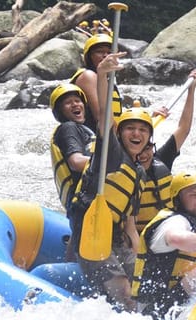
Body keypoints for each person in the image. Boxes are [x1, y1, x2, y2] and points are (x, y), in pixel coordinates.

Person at [66, 51, 150, 311]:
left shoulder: (139, 173)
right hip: (91, 231)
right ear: (120, 133)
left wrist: (139, 255)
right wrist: (103, 75)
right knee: (124, 292)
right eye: (130, 129)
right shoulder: (111, 153)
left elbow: (130, 224)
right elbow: (105, 116)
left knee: (144, 287)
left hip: (115, 236)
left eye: (143, 130)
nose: (136, 134)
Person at [131, 171, 196, 319]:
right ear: (178, 200)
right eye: (193, 195)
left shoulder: (194, 223)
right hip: (157, 307)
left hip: (174, 300)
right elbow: (176, 238)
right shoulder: (175, 220)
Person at [134, 69, 196, 234]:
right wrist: (147, 120)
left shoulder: (160, 160)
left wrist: (191, 90)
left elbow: (183, 129)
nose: (143, 155)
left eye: (147, 149)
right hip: (135, 235)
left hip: (164, 232)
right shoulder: (121, 165)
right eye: (139, 150)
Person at [47, 83, 95, 261]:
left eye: (78, 100)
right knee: (80, 251)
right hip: (82, 200)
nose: (75, 104)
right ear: (60, 111)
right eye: (68, 103)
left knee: (78, 246)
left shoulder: (85, 130)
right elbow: (76, 162)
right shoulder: (69, 128)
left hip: (84, 199)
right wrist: (112, 165)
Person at [70, 33, 123, 133]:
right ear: (89, 57)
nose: (105, 56)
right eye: (99, 52)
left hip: (108, 137)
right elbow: (102, 119)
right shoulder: (88, 76)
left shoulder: (108, 83)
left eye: (110, 52)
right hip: (91, 138)